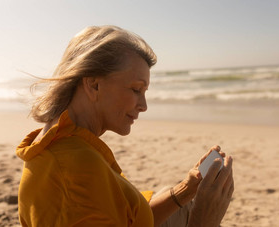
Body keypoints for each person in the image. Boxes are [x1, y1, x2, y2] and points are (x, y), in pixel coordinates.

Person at [16, 25, 234, 227]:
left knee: (179, 200)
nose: (144, 106)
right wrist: (204, 221)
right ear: (94, 85)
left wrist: (185, 189)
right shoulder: (75, 168)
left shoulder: (67, 142)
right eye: (136, 89)